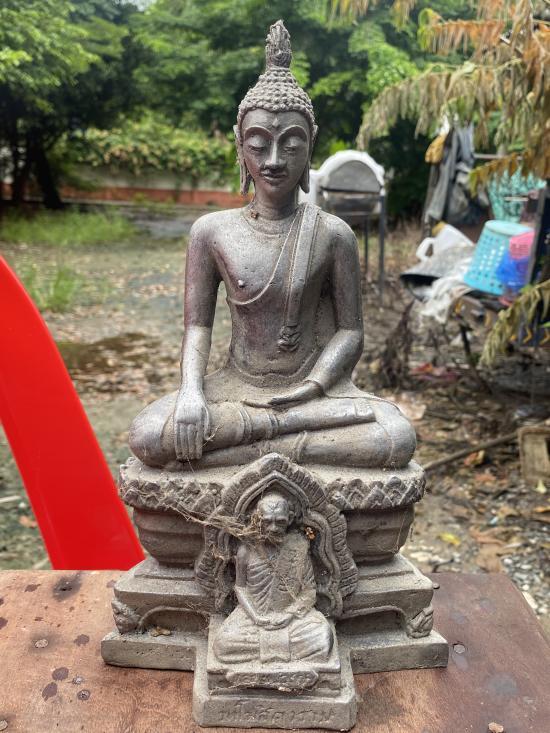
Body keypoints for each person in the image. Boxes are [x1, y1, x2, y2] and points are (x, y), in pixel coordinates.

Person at [129, 21, 415, 471]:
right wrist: (191, 392)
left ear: (310, 149)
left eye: (291, 145)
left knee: (397, 436)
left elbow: (351, 331)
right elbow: (197, 327)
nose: (275, 161)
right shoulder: (211, 231)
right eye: (259, 145)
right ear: (241, 147)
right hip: (236, 388)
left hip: (312, 396)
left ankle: (256, 446)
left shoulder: (333, 234)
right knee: (148, 434)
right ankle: (281, 441)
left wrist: (314, 386)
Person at [213, 491, 333, 665]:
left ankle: (269, 650)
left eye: (280, 522)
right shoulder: (246, 550)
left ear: (290, 519)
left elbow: (309, 591)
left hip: (293, 620)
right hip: (253, 619)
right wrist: (256, 617)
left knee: (323, 638)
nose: (274, 528)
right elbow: (240, 588)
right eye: (267, 521)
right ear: (257, 519)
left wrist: (289, 615)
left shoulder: (299, 547)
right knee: (223, 644)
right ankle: (285, 650)